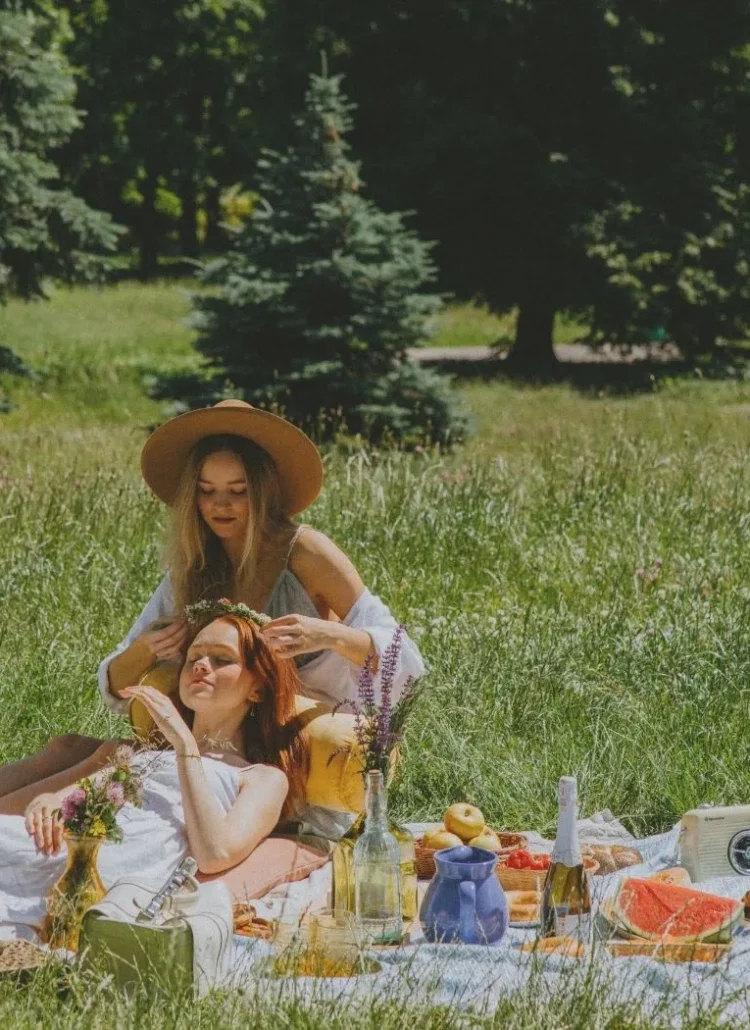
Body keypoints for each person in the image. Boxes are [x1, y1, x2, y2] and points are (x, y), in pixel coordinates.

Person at [0, 399, 424, 802]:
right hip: (218, 739)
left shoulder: (306, 552)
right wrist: (148, 649)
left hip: (302, 748)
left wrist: (329, 635)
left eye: (237, 491)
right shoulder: (194, 565)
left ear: (262, 492)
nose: (220, 505)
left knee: (110, 763)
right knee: (69, 747)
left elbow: (406, 659)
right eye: (206, 491)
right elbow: (115, 684)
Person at [0, 609, 306, 940]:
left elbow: (214, 854)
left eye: (221, 659)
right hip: (74, 845)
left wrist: (185, 745)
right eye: (194, 658)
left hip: (124, 863)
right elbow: (77, 795)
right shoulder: (146, 753)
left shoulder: (262, 777)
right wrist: (49, 802)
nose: (202, 666)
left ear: (257, 688)